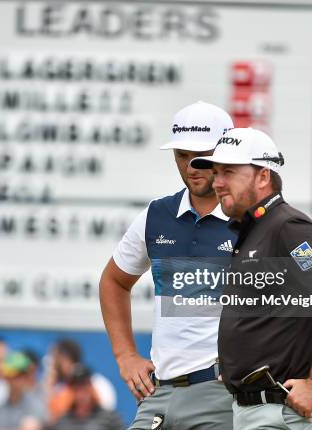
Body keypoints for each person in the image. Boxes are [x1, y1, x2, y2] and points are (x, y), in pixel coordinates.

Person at [190, 127, 312, 429]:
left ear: (263, 177)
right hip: (260, 412)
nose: (218, 182)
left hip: (286, 414)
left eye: (228, 172)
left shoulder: (287, 228)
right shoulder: (255, 230)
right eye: (215, 173)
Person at [99, 101, 237, 429]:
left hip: (222, 393)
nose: (190, 166)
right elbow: (113, 281)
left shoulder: (252, 219)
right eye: (181, 156)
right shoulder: (156, 215)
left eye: (200, 156)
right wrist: (125, 357)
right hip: (159, 393)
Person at [46, 339, 116, 422]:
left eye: (56, 359)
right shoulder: (57, 386)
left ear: (66, 360)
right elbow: (51, 417)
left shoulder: (98, 383)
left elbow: (105, 418)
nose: (53, 364)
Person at [50, 365, 124, 430]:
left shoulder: (110, 418)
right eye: (77, 389)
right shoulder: (62, 423)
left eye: (84, 387)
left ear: (91, 387)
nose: (81, 394)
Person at [0, 352, 46, 430]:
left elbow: (30, 427)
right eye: (14, 375)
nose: (19, 379)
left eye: (22, 375)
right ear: (5, 377)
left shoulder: (35, 405)